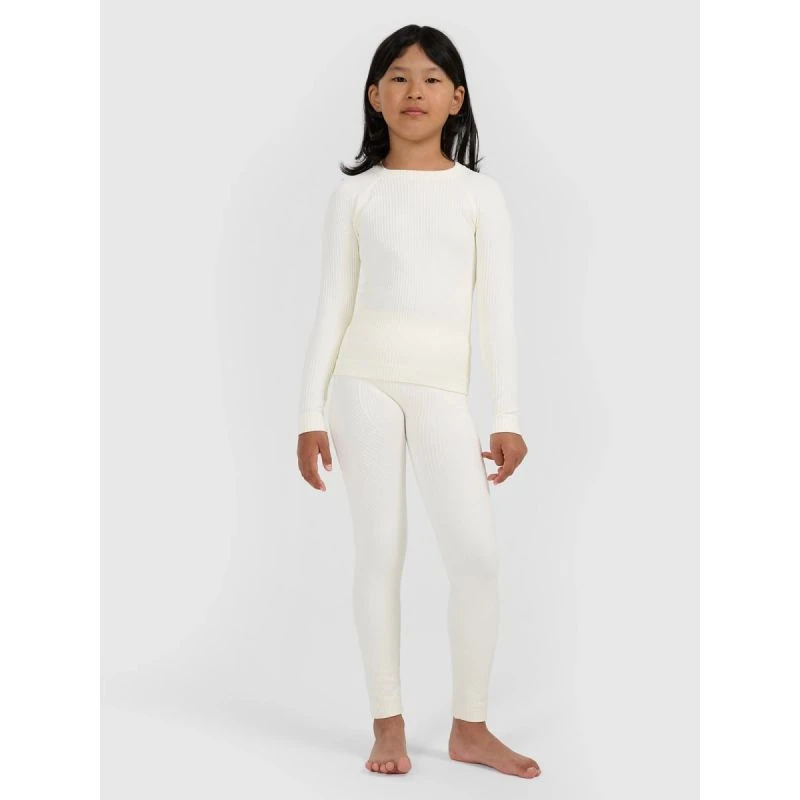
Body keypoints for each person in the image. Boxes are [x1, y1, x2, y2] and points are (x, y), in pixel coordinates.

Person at [296, 25, 541, 780]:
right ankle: (388, 722)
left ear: (457, 98)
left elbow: (498, 311)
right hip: (360, 386)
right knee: (382, 551)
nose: (414, 91)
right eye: (398, 77)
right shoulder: (355, 196)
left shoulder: (479, 196)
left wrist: (507, 416)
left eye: (432, 79)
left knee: (476, 556)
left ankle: (471, 726)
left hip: (440, 392)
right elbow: (332, 307)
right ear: (375, 95)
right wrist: (309, 413)